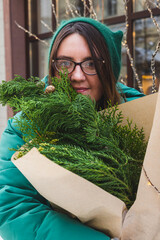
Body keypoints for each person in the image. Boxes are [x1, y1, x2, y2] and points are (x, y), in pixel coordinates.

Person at [0, 17, 145, 240]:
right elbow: (13, 209)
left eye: (91, 64)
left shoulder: (141, 119)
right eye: (66, 63)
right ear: (54, 67)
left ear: (109, 70)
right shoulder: (24, 128)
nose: (77, 76)